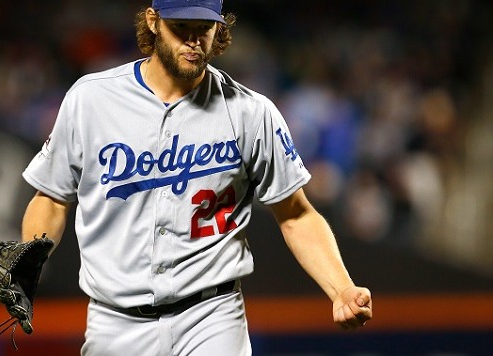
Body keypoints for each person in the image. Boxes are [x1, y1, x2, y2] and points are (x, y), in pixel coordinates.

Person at [20, 0, 372, 354]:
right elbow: (51, 197)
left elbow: (296, 213)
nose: (193, 40)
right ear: (154, 22)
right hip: (115, 322)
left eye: (202, 28)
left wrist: (341, 288)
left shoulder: (250, 112)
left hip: (211, 318)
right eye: (181, 27)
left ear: (218, 28)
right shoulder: (91, 99)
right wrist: (29, 257)